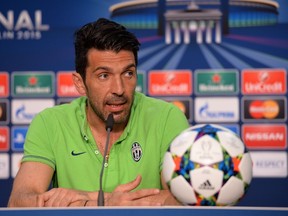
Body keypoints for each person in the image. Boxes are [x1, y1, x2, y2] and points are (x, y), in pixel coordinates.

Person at [8, 18, 189, 207]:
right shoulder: (50, 123)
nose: (119, 89)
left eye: (128, 73)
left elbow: (184, 198)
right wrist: (107, 201)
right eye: (104, 76)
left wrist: (86, 199)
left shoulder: (167, 118)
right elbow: (20, 201)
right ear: (80, 83)